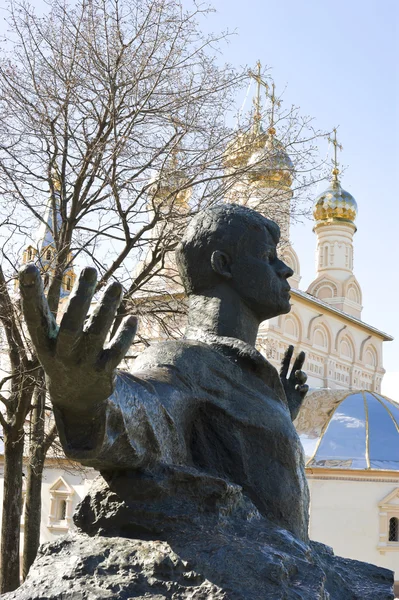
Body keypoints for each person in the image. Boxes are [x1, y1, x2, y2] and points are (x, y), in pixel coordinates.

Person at [19, 203, 310, 542]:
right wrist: (88, 400)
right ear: (224, 264)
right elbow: (148, 406)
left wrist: (276, 412)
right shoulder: (182, 359)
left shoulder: (244, 371)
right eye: (268, 257)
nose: (285, 269)